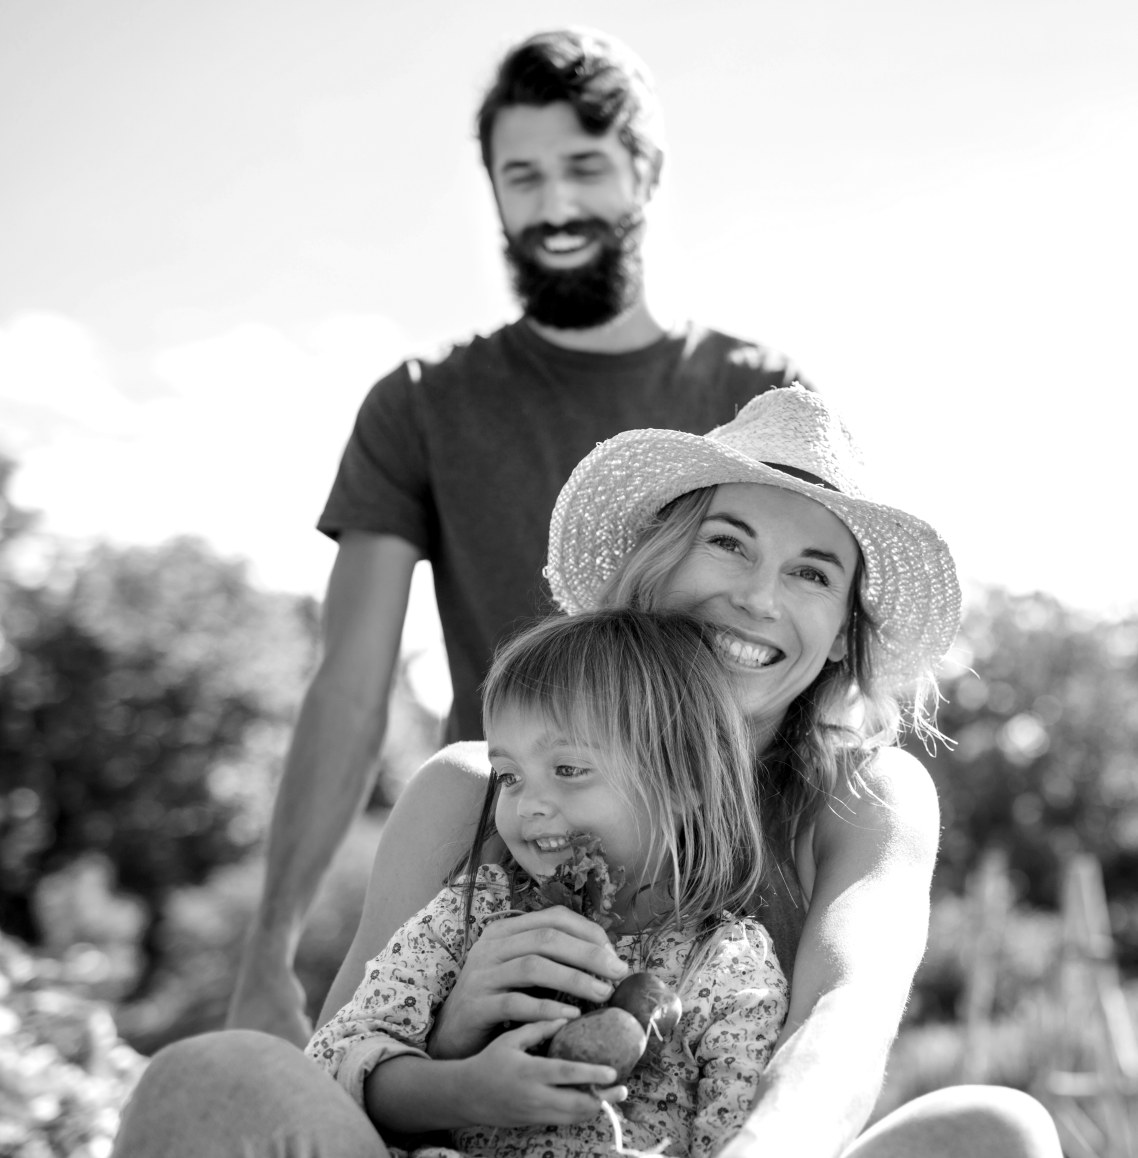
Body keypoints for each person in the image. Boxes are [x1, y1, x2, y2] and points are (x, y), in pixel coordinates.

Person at [79, 387, 1088, 1158]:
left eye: (814, 572)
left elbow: (849, 1011)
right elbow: (335, 1072)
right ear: (655, 562)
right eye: (727, 540)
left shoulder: (862, 795)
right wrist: (457, 1036)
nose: (758, 594)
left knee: (994, 1132)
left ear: (840, 637)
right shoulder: (475, 790)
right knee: (211, 1080)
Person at [228, 26, 809, 1045]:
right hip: (497, 876)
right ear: (491, 189)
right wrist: (269, 943)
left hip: (720, 886)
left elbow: (803, 643)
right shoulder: (420, 404)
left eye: (584, 167)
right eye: (521, 175)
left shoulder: (754, 395)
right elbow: (351, 683)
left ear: (647, 171)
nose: (553, 206)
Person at [309, 608, 788, 1158]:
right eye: (509, 775)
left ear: (681, 786)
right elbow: (335, 1060)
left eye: (568, 769)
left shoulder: (725, 959)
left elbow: (732, 1135)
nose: (528, 804)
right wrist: (463, 1087)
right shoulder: (470, 918)